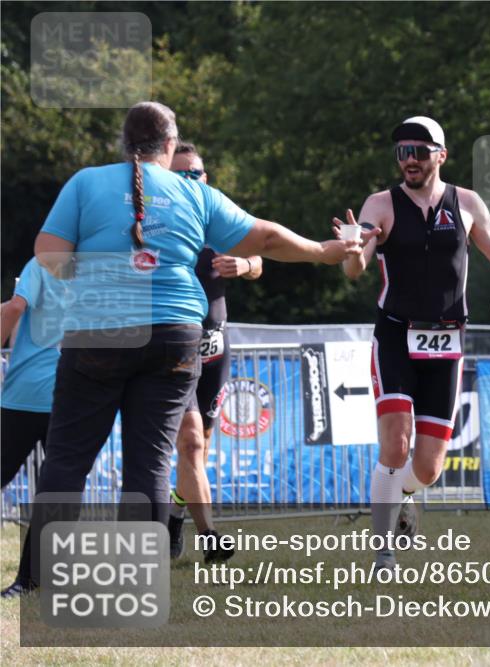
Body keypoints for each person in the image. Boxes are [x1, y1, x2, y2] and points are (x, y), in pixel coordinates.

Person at [4, 101, 368, 597]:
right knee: (150, 462)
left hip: (100, 333)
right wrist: (322, 252)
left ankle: (34, 582)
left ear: (123, 142)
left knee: (67, 461)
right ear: (170, 144)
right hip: (176, 335)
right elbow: (264, 235)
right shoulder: (195, 194)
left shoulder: (87, 183)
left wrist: (96, 279)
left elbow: (48, 253)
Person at [340, 116, 490, 569]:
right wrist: (352, 250)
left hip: (446, 341)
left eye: (420, 151)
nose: (410, 161)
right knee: (396, 446)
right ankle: (383, 552)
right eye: (403, 152)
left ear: (441, 154)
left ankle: (401, 496)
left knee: (428, 468)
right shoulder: (381, 204)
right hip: (396, 335)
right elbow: (355, 268)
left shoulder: (467, 202)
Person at [167, 142, 263, 562]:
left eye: (198, 174)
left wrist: (244, 266)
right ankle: (210, 538)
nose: (192, 181)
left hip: (215, 351)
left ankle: (173, 512)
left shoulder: (217, 217)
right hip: (173, 351)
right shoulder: (156, 224)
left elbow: (261, 256)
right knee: (189, 444)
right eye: (182, 174)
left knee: (200, 450)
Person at [1, 258, 67, 488]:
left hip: (25, 392)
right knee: (60, 482)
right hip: (69, 397)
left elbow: (16, 307)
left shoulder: (41, 264)